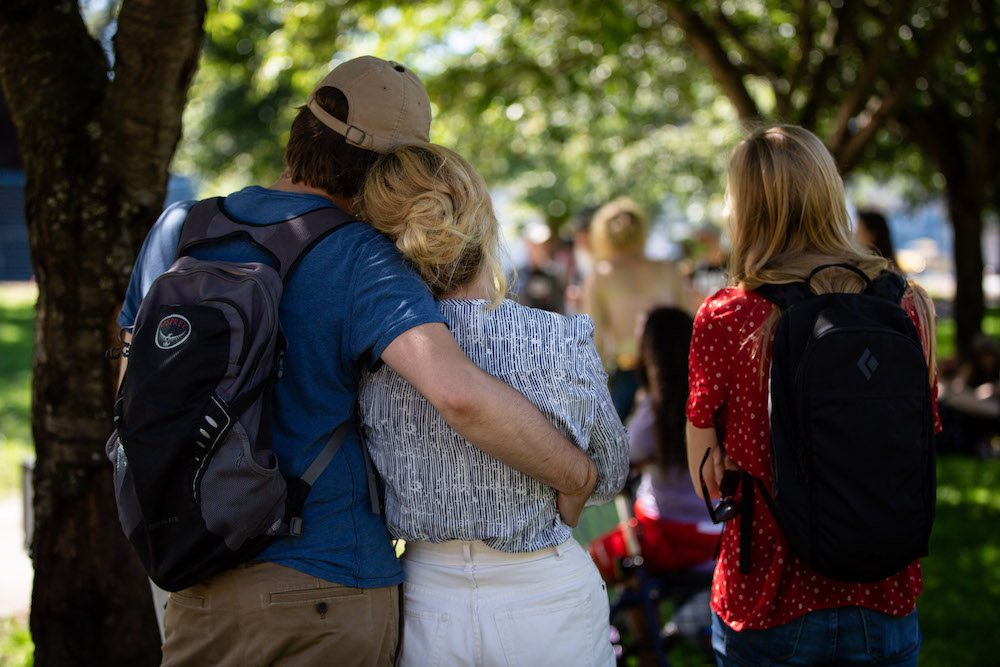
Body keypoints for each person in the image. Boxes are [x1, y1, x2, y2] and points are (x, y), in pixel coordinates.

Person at [114, 56, 597, 666]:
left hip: (196, 580)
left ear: (300, 131)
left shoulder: (181, 229)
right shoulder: (359, 256)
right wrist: (576, 474)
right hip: (326, 586)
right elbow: (458, 394)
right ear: (390, 170)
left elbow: (134, 393)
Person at [355, 142, 629, 667]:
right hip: (545, 593)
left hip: (424, 598)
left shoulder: (376, 355)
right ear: (481, 219)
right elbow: (610, 475)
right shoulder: (557, 339)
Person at [686, 125, 939, 666]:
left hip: (770, 600)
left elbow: (707, 471)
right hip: (885, 593)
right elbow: (922, 436)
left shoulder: (729, 315)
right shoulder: (906, 304)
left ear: (745, 208)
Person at [589, 306, 719, 582]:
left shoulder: (655, 410)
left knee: (595, 561)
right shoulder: (715, 397)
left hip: (667, 534)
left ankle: (642, 625)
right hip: (719, 531)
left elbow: (624, 458)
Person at [581, 196, 690, 419]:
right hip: (674, 373)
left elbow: (594, 342)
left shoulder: (599, 277)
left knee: (624, 449)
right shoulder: (668, 269)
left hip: (629, 376)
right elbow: (691, 324)